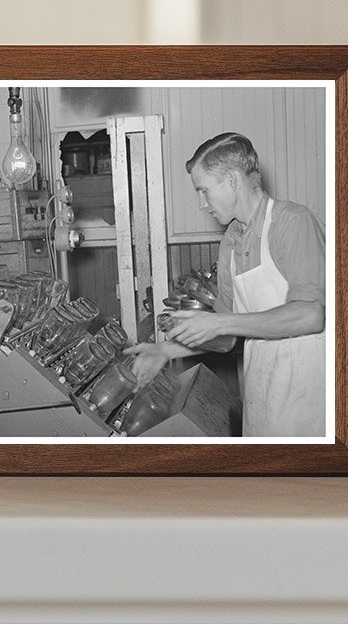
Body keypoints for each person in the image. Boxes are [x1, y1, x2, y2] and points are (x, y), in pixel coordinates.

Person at [125, 132, 326, 437]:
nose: (201, 204)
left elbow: (310, 315)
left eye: (204, 191)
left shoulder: (292, 222)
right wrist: (164, 351)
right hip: (261, 397)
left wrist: (219, 324)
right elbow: (225, 337)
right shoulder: (231, 241)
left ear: (232, 180)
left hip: (309, 401)